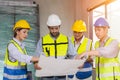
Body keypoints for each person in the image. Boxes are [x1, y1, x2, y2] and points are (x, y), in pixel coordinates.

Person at [34, 14, 77, 80]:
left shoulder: (66, 39)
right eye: (52, 28)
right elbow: (36, 56)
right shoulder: (42, 40)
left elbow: (73, 55)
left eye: (56, 28)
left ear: (59, 27)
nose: (54, 31)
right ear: (48, 27)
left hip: (61, 74)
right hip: (47, 74)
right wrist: (36, 63)